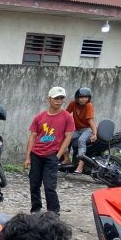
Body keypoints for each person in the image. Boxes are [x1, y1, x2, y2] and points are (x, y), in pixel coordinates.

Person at [25, 87, 74, 215]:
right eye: (56, 98)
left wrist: (58, 155)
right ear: (49, 99)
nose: (59, 101)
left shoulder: (67, 117)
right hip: (36, 154)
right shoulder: (39, 117)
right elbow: (33, 137)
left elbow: (68, 137)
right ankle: (36, 209)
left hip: (52, 156)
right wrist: (28, 157)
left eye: (61, 98)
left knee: (49, 186)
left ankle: (53, 212)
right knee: (34, 184)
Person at [65, 87, 97, 175]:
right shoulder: (73, 104)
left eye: (85, 97)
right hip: (77, 130)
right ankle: (67, 159)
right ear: (77, 98)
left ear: (88, 98)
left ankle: (80, 166)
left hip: (87, 129)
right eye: (81, 97)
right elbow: (65, 115)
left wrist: (94, 133)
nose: (83, 99)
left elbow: (90, 120)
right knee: (64, 138)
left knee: (81, 140)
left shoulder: (88, 105)